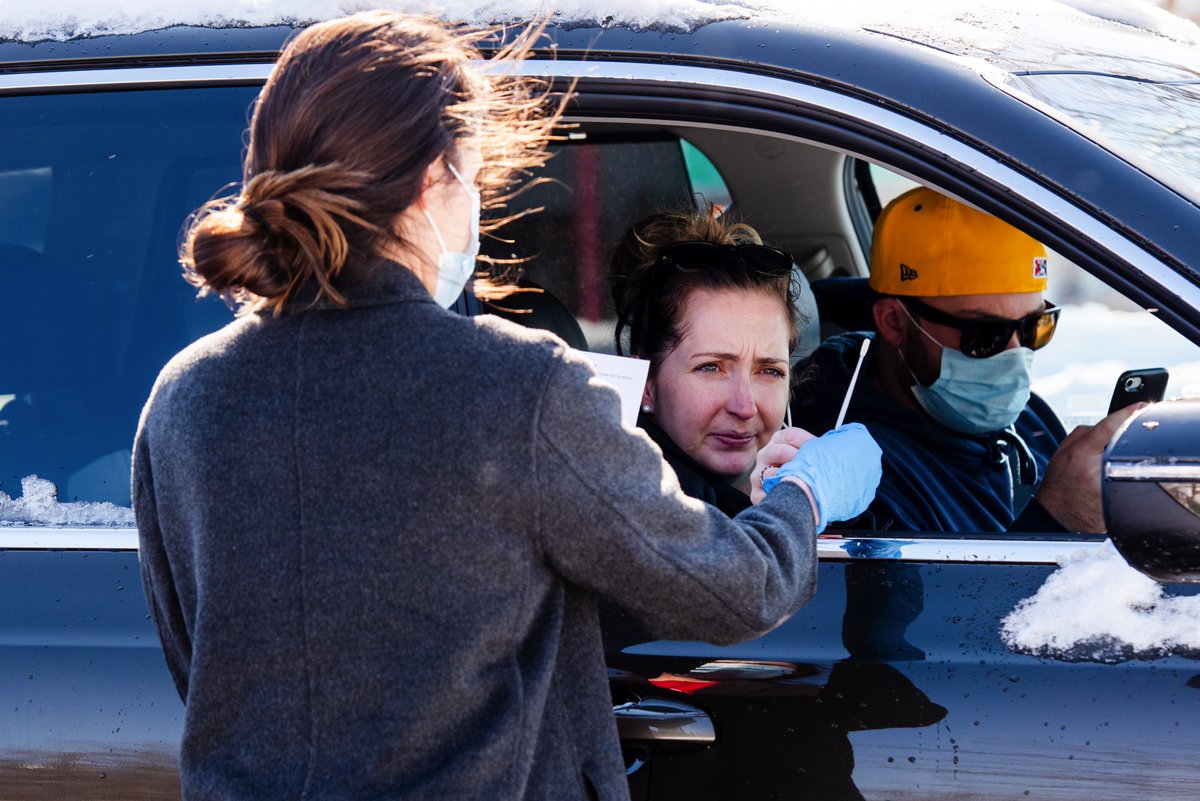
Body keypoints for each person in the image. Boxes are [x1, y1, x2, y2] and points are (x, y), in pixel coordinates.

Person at [131, 13, 881, 801]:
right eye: (476, 178)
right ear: (434, 182)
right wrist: (806, 492)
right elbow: (738, 590)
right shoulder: (520, 389)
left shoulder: (185, 398)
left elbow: (197, 664)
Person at [793, 186, 1143, 534]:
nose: (1014, 356)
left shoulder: (1025, 416)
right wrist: (1060, 520)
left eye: (1034, 327)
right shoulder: (845, 465)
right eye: (985, 335)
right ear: (894, 322)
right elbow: (948, 590)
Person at [610, 210, 812, 516]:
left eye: (769, 371)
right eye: (711, 367)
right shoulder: (639, 510)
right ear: (647, 384)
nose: (744, 407)